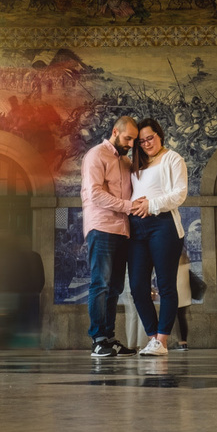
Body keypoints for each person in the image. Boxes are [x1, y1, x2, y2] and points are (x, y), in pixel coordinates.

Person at [129, 118, 187, 357]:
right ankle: (153, 338)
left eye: (149, 138)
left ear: (159, 135)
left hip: (163, 225)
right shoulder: (136, 164)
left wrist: (151, 204)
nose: (146, 144)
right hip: (136, 227)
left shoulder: (173, 158)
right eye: (141, 141)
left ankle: (162, 340)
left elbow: (180, 194)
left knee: (165, 285)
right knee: (137, 286)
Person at [81, 116, 139, 358]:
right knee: (101, 283)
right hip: (102, 227)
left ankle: (110, 338)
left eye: (134, 140)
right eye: (128, 138)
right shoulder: (96, 155)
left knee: (115, 287)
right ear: (115, 131)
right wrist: (128, 206)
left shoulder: (126, 162)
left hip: (123, 230)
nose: (131, 144)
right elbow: (94, 193)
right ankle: (97, 340)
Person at [171, 250, 191, 351]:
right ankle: (183, 342)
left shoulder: (174, 267)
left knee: (176, 319)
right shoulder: (186, 266)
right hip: (185, 296)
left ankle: (180, 342)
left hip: (175, 295)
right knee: (181, 318)